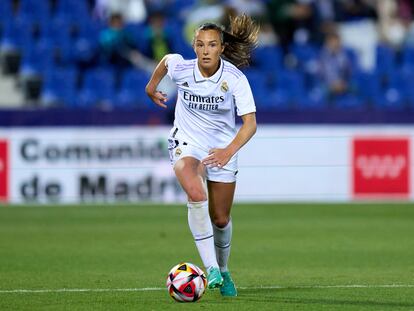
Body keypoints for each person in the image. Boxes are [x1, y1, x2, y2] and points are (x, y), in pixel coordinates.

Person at [145, 14, 258, 297]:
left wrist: (227, 151)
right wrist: (151, 88)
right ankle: (212, 270)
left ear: (221, 48)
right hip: (187, 141)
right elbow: (166, 61)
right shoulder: (183, 68)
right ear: (194, 47)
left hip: (221, 148)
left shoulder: (234, 79)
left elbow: (250, 123)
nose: (205, 50)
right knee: (195, 192)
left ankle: (224, 268)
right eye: (200, 44)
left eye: (211, 45)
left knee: (220, 218)